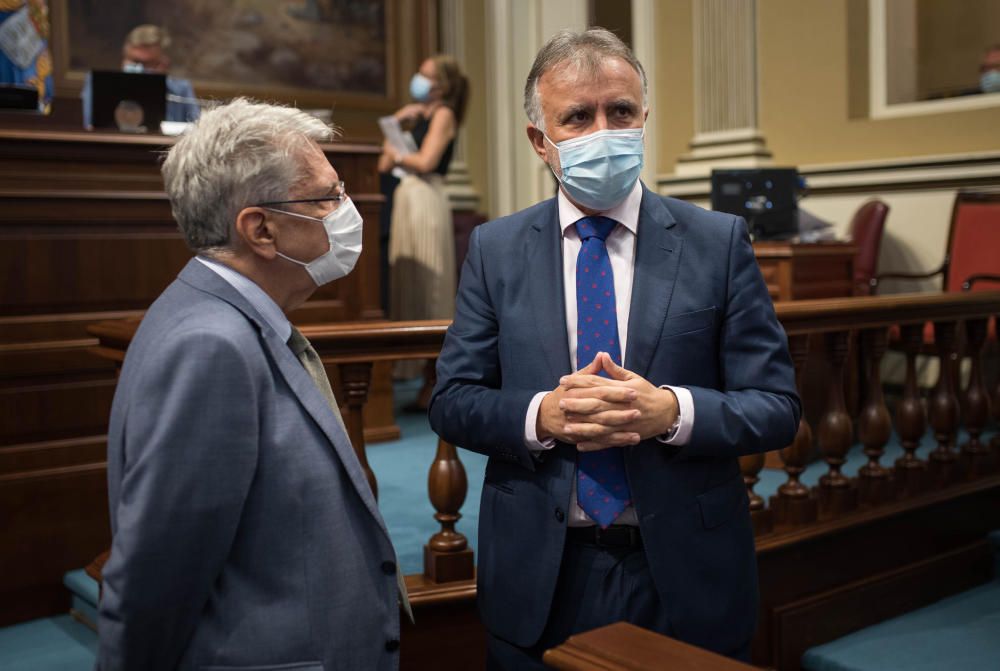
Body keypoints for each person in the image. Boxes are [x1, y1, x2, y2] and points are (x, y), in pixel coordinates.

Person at [428, 28, 800, 669]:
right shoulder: (496, 251)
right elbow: (452, 401)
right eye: (578, 116)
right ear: (539, 141)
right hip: (541, 571)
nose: (605, 130)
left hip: (685, 571)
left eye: (620, 111)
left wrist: (672, 414)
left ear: (644, 117)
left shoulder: (717, 242)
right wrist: (540, 417)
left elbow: (775, 406)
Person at [97, 98, 407, 671]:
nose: (347, 210)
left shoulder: (229, 317)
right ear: (261, 229)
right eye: (328, 197)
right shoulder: (210, 347)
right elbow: (155, 577)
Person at [378, 54, 468, 405]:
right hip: (406, 200)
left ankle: (434, 380)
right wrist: (395, 124)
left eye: (425, 74)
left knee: (430, 288)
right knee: (409, 286)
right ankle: (416, 376)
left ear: (441, 85)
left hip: (427, 197)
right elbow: (385, 162)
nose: (418, 78)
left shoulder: (443, 114)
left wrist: (399, 147)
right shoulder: (415, 115)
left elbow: (426, 162)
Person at [80, 24, 199, 128]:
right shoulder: (98, 84)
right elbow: (89, 126)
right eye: (135, 62)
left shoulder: (182, 90)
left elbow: (196, 131)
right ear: (124, 59)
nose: (140, 70)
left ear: (164, 64)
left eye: (148, 64)